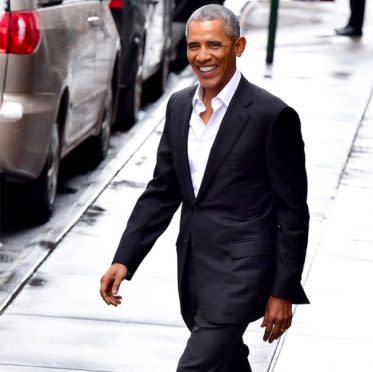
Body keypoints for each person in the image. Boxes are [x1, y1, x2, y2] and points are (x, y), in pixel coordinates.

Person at [98, 5, 310, 370]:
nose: (203, 56)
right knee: (227, 362)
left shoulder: (271, 116)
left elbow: (292, 212)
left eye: (214, 45)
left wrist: (282, 289)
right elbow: (163, 190)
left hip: (242, 274)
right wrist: (125, 258)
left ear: (238, 46)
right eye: (194, 46)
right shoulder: (180, 107)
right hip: (194, 270)